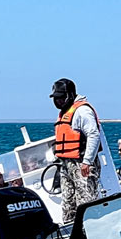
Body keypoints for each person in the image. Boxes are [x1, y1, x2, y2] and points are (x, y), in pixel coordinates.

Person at [50, 78, 101, 225]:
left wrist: (87, 162)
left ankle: (89, 228)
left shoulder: (82, 111)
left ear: (70, 94)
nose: (59, 101)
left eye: (61, 97)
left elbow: (93, 135)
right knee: (68, 201)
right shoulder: (64, 113)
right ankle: (70, 228)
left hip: (82, 163)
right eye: (56, 98)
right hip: (66, 164)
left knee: (86, 200)